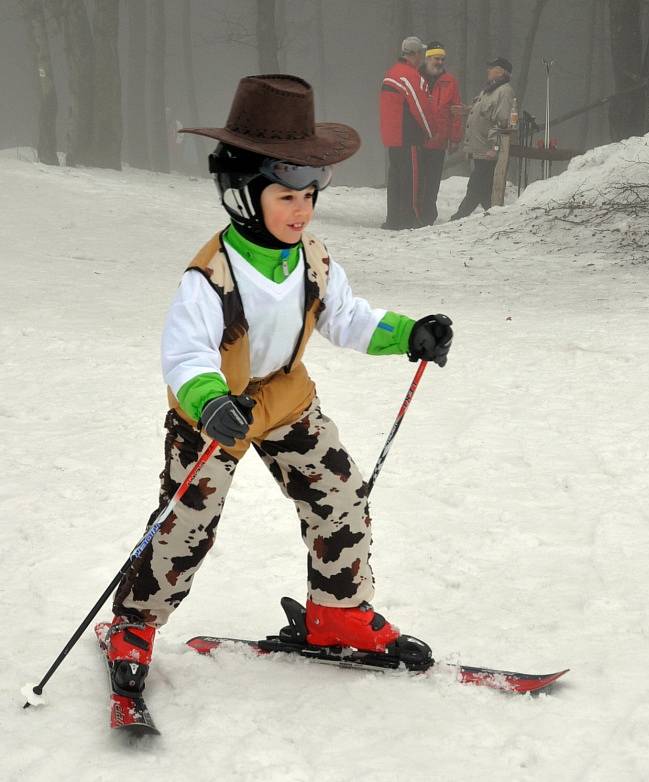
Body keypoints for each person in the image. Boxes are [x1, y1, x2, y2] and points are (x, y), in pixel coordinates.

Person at [101, 74, 454, 697]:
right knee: (188, 521)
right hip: (218, 411)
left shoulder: (313, 258)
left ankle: (337, 610)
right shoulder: (211, 274)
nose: (303, 210)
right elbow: (185, 354)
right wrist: (209, 402)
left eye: (311, 194)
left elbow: (346, 316)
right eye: (287, 196)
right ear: (243, 193)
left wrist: (407, 333)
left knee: (340, 494)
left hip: (287, 399)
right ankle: (134, 623)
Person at [379, 36, 435, 230]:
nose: (423, 57)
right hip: (408, 137)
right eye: (422, 53)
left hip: (393, 138)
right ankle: (410, 218)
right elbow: (420, 109)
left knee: (395, 178)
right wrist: (429, 132)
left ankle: (393, 218)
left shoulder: (391, 73)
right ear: (416, 54)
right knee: (411, 179)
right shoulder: (410, 76)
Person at [450, 57, 515, 221]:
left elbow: (503, 122)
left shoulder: (504, 91)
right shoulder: (490, 90)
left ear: (501, 72)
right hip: (480, 149)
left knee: (476, 185)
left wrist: (495, 148)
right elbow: (484, 111)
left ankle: (459, 217)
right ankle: (495, 217)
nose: (488, 70)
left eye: (492, 68)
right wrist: (467, 110)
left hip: (488, 150)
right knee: (484, 189)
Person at [417, 41, 463, 225]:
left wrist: (455, 138)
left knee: (433, 179)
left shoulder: (450, 81)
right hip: (418, 139)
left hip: (439, 140)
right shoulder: (415, 77)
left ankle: (428, 214)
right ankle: (416, 211)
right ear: (427, 58)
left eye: (442, 59)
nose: (440, 62)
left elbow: (456, 110)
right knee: (418, 178)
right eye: (436, 58)